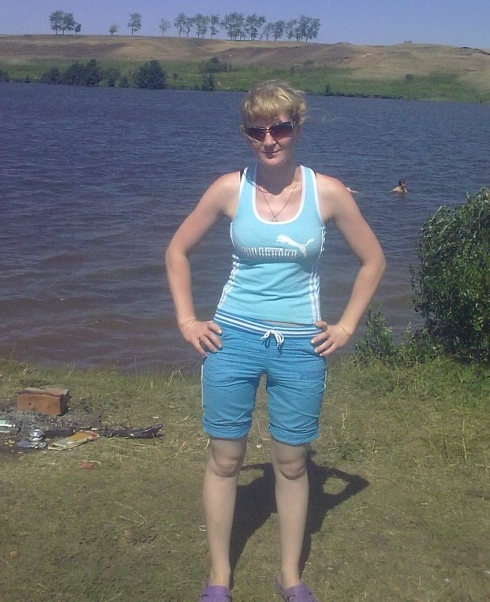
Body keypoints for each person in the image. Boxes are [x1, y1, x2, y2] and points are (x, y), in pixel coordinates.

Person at [165, 80, 386, 602]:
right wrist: (187, 321)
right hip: (232, 339)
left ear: (297, 129)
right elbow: (177, 251)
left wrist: (346, 326)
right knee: (225, 459)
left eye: (280, 128)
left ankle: (289, 576)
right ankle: (219, 576)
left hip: (301, 346)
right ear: (246, 134)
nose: (269, 140)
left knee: (291, 463)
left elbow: (373, 261)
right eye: (257, 130)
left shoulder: (328, 192)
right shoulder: (229, 189)